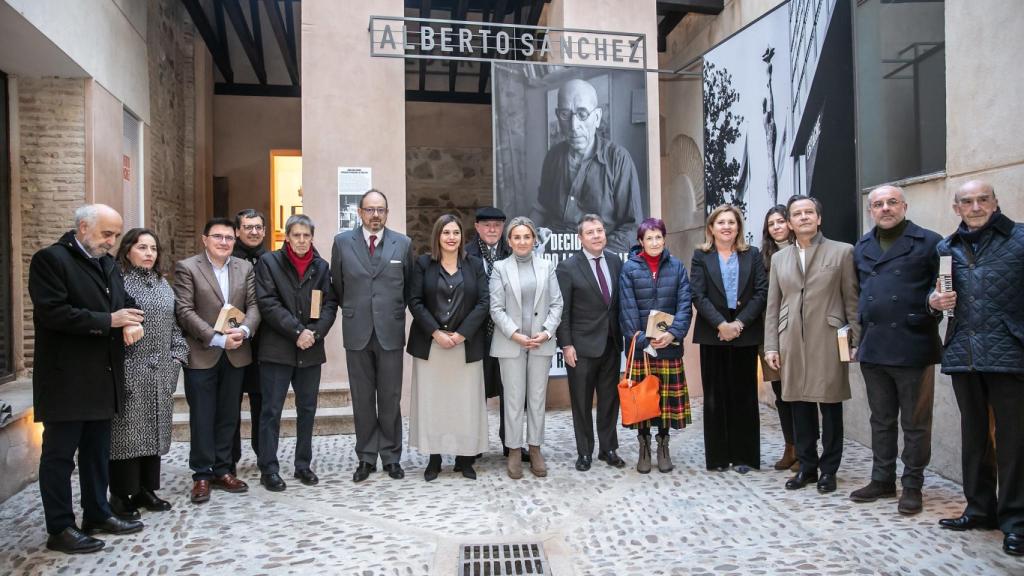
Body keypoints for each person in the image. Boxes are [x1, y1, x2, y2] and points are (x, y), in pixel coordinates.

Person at [29, 204, 144, 554]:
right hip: (66, 379)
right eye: (105, 234)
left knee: (96, 454)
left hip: (102, 377)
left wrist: (133, 320)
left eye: (115, 236)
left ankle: (97, 512)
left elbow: (125, 302)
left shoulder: (106, 263)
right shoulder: (51, 260)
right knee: (59, 457)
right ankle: (60, 527)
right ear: (82, 227)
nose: (111, 242)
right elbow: (53, 313)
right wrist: (109, 321)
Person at [929, 180, 1023, 557]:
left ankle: (1015, 520)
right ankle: (980, 508)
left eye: (983, 199)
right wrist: (934, 300)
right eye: (967, 201)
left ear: (996, 202)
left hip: (1010, 354)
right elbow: (935, 294)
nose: (976, 206)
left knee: (1014, 442)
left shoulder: (1019, 239)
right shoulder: (946, 247)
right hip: (964, 352)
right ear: (957, 208)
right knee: (975, 436)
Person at [850, 185, 941, 515]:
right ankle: (882, 478)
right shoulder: (862, 246)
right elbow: (858, 291)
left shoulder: (929, 241)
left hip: (912, 344)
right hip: (873, 347)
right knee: (881, 419)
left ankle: (912, 485)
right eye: (878, 204)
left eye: (891, 202)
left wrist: (933, 304)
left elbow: (943, 284)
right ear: (870, 210)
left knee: (916, 423)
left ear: (904, 205)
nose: (885, 208)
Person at [764, 195, 859, 494]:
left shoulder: (843, 252)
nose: (803, 217)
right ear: (790, 222)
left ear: (819, 218)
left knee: (830, 406)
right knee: (798, 406)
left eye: (809, 212)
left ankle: (828, 470)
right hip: (790, 339)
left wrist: (854, 339)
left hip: (828, 338)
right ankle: (806, 466)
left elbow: (852, 300)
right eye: (797, 213)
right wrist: (771, 346)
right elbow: (773, 305)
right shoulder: (779, 259)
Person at [330, 189, 415, 483]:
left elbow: (409, 289)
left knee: (390, 397)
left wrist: (387, 312)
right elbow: (338, 287)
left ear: (387, 213)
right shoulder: (342, 243)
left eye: (380, 210)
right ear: (360, 212)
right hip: (357, 331)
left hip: (390, 332)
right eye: (370, 210)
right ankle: (366, 457)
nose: (375, 215)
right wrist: (357, 310)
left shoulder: (402, 244)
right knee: (362, 398)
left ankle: (391, 456)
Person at [174, 217, 261, 504]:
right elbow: (185, 311)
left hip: (236, 352)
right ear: (205, 239)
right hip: (203, 353)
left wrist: (245, 330)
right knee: (202, 416)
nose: (224, 242)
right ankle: (201, 474)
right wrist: (215, 337)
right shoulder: (188, 268)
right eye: (218, 237)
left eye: (228, 238)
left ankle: (223, 469)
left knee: (228, 415)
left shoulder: (244, 267)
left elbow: (254, 305)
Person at [108, 228, 189, 519]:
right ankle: (120, 495)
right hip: (131, 370)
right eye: (142, 247)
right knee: (126, 437)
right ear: (128, 249)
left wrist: (177, 357)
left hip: (161, 373)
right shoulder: (118, 282)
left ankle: (146, 489)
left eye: (153, 248)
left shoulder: (162, 284)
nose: (148, 253)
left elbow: (174, 324)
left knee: (153, 435)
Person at [254, 214, 337, 491]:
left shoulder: (321, 267)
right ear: (287, 237)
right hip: (277, 349)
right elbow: (267, 303)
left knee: (307, 410)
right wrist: (297, 332)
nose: (301, 240)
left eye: (306, 235)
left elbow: (329, 304)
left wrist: (314, 333)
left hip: (310, 349)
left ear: (312, 237)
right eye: (296, 235)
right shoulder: (269, 263)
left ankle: (303, 464)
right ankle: (269, 468)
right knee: (271, 411)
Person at [408, 215, 491, 481]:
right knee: (434, 404)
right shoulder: (423, 264)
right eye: (446, 233)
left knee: (465, 404)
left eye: (456, 232)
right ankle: (434, 458)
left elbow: (484, 302)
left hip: (465, 346)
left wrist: (461, 334)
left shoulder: (474, 265)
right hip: (431, 345)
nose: (451, 237)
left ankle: (465, 459)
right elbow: (415, 301)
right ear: (437, 236)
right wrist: (436, 332)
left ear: (461, 237)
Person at [690, 205, 768, 474]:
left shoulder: (752, 255)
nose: (726, 227)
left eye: (731, 222)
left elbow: (761, 292)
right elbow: (697, 294)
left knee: (744, 396)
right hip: (713, 333)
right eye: (720, 222)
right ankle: (719, 457)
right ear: (711, 228)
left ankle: (745, 456)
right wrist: (722, 324)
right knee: (715, 397)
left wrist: (739, 323)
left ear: (738, 228)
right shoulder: (701, 256)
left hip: (744, 331)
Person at [489, 216, 563, 479]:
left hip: (541, 342)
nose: (522, 241)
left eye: (527, 236)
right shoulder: (499, 268)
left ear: (534, 239)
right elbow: (496, 308)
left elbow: (557, 304)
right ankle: (513, 450)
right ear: (509, 241)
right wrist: (516, 334)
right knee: (512, 399)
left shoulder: (547, 266)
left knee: (537, 398)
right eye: (517, 237)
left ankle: (535, 448)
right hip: (511, 344)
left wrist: (545, 333)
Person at [533, 78, 643, 253]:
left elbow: (632, 227)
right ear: (557, 116)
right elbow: (541, 209)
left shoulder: (618, 159)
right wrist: (527, 236)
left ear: (597, 117)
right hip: (555, 259)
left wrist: (595, 257)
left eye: (582, 114)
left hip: (600, 259)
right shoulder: (553, 157)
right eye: (565, 114)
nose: (574, 126)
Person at [619, 217, 693, 474]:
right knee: (642, 400)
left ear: (664, 239)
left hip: (669, 346)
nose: (654, 242)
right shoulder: (629, 269)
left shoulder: (677, 267)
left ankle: (663, 444)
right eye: (649, 238)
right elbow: (626, 309)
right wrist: (641, 340)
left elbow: (685, 306)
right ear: (640, 241)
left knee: (664, 401)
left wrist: (673, 334)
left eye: (658, 237)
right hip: (642, 349)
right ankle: (644, 446)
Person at [555, 214, 625, 472]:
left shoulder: (616, 262)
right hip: (581, 347)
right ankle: (584, 452)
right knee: (582, 402)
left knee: (609, 400)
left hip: (611, 344)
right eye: (590, 232)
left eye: (599, 230)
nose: (597, 236)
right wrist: (567, 345)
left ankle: (608, 449)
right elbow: (563, 310)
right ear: (580, 238)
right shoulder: (568, 267)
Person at [464, 206, 519, 458]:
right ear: (476, 227)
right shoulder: (466, 254)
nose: (492, 229)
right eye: (486, 225)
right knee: (475, 391)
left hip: (508, 333)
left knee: (511, 389)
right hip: (476, 334)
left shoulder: (512, 252)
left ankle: (511, 443)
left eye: (497, 225)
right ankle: (474, 446)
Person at [230, 208, 268, 475]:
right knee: (230, 403)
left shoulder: (272, 260)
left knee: (262, 402)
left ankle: (263, 455)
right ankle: (228, 458)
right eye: (248, 227)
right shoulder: (227, 260)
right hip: (231, 341)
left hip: (264, 343)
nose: (253, 232)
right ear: (237, 231)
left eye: (258, 227)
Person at [759, 205, 797, 471]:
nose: (776, 227)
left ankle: (806, 447)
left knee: (802, 392)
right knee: (781, 393)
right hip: (770, 332)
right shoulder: (763, 259)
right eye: (771, 224)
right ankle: (790, 446)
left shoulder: (803, 252)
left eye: (780, 221)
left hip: (799, 331)